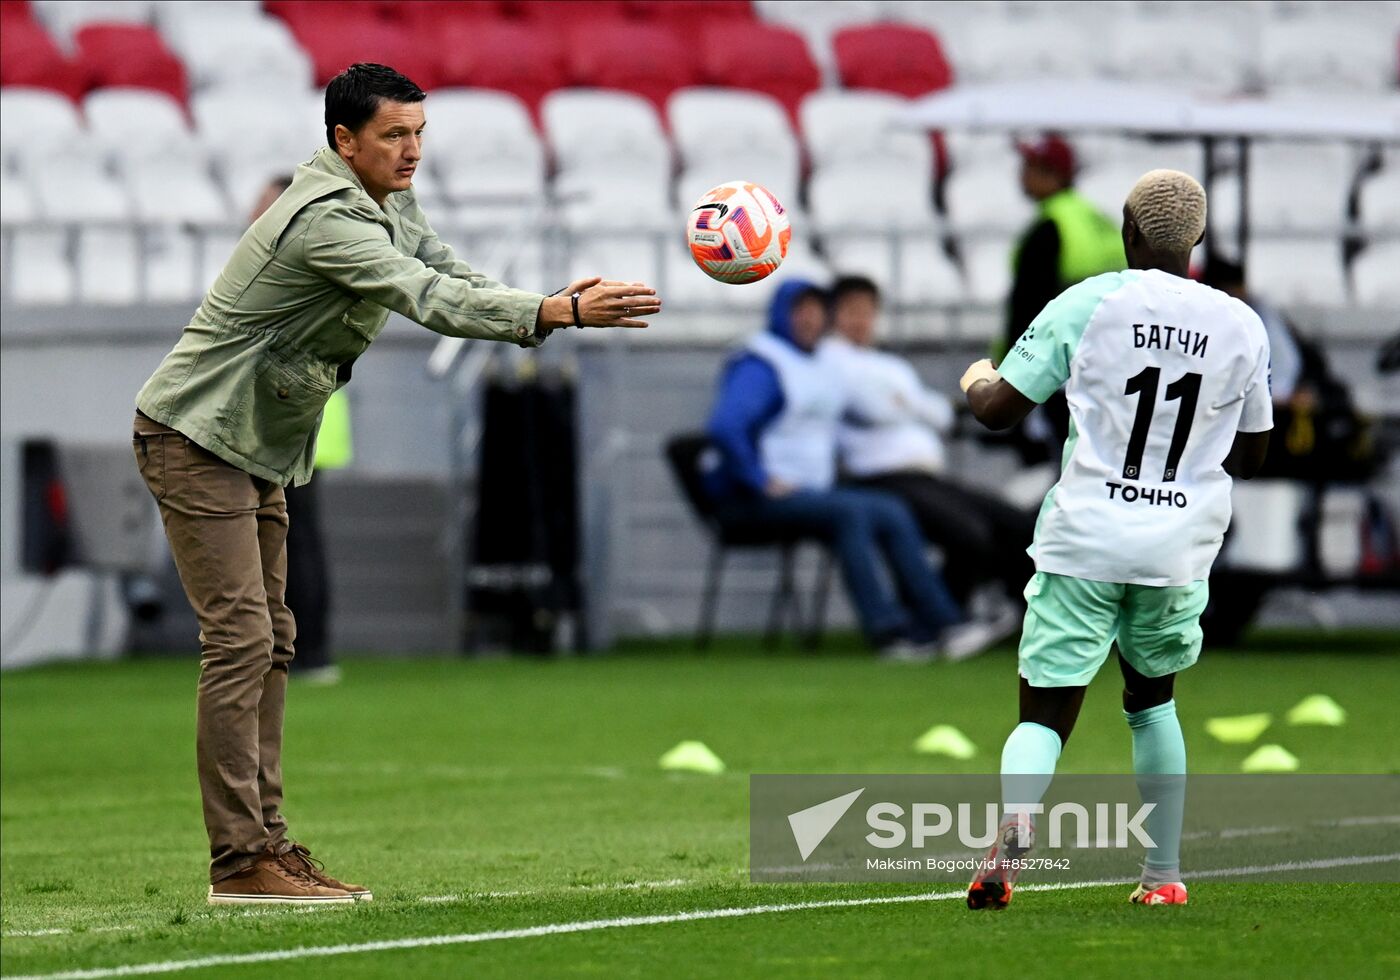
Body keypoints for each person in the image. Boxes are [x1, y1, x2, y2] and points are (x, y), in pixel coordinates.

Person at [131, 63, 661, 905]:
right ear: (344, 140)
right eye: (394, 136)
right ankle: (240, 862)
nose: (413, 152)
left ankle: (266, 847)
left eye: (419, 134)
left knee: (272, 640)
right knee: (240, 642)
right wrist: (552, 315)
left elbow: (452, 269)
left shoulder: (384, 201)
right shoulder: (325, 221)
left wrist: (547, 300)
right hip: (196, 436)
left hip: (249, 441)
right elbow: (420, 294)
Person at [958, 170, 1272, 909]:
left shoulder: (1089, 301)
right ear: (1194, 241)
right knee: (1152, 701)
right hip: (1176, 548)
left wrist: (976, 376)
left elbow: (999, 411)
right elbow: (1253, 457)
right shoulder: (1240, 324)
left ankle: (1016, 825)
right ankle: (1161, 877)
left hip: (1086, 537)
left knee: (1044, 709)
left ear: (1130, 233)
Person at [703, 280, 995, 661]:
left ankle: (941, 624)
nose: (809, 320)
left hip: (808, 493)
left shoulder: (819, 362)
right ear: (781, 315)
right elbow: (726, 427)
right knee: (854, 512)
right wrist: (758, 479)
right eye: (800, 311)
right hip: (752, 498)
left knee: (890, 509)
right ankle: (889, 633)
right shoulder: (762, 363)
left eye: (816, 311)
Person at [818, 275, 1036, 613]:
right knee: (969, 534)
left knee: (1017, 524)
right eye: (851, 311)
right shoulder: (828, 360)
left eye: (867, 311)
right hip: (880, 477)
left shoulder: (887, 364)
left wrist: (904, 403)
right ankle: (940, 618)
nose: (861, 320)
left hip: (925, 477)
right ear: (833, 315)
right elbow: (874, 408)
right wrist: (913, 404)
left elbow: (940, 415)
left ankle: (1025, 616)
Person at [249, 175, 347, 685]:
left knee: (291, 540)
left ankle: (304, 650)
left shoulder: (290, 266)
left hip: (292, 421)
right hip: (307, 419)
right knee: (296, 539)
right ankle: (306, 649)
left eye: (263, 205)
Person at [1002, 135, 1127, 465]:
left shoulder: (1050, 227)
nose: (1021, 176)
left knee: (1058, 472)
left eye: (1028, 167)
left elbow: (1030, 313)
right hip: (1113, 367)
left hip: (1060, 377)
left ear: (1051, 174)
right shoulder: (1100, 221)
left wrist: (1011, 379)